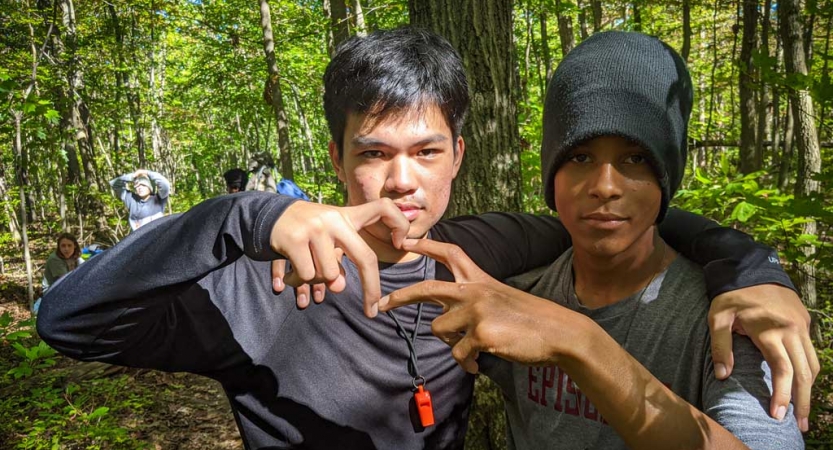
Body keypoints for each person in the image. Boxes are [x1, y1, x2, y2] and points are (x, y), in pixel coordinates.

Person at [38, 28, 815, 450]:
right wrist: (244, 215)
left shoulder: (487, 249)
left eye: (426, 152)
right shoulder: (257, 284)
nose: (402, 182)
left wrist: (750, 266)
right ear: (338, 158)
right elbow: (67, 321)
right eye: (374, 153)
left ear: (457, 159)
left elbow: (609, 217)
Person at [381, 31, 806, 448]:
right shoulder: (517, 290)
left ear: (665, 176)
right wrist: (310, 209)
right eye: (580, 157)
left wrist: (578, 340)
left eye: (635, 159)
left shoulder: (728, 319)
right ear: (552, 176)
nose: (605, 186)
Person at [34, 232, 84, 313]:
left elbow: (86, 267)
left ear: (74, 246)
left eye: (69, 245)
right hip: (52, 291)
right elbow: (65, 281)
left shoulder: (75, 256)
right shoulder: (55, 259)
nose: (66, 249)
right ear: (59, 247)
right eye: (63, 246)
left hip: (69, 287)